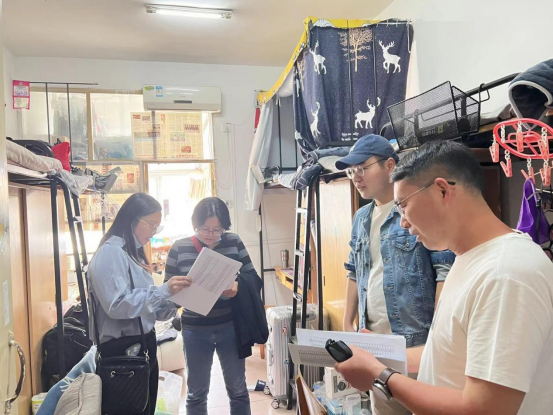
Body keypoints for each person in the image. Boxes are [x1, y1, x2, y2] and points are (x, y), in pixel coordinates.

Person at [334, 140, 553, 415]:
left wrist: (381, 377)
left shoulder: (506, 274)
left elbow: (485, 409)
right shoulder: (470, 257)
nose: (403, 222)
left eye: (403, 205)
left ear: (441, 191)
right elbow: (447, 353)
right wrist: (382, 354)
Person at [335, 134, 454, 415]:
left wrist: (437, 334)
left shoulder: (416, 210)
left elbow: (444, 270)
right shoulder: (361, 218)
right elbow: (354, 271)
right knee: (384, 408)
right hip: (373, 342)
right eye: (351, 171)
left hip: (416, 343)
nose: (356, 177)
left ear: (390, 165)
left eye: (362, 168)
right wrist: (347, 323)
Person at [87, 193, 191, 415]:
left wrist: (175, 299)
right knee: (129, 410)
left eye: (157, 226)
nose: (154, 232)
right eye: (151, 224)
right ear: (133, 219)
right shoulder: (111, 252)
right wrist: (163, 290)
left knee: (145, 407)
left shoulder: (133, 253)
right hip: (121, 349)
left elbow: (149, 311)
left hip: (143, 343)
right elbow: (117, 306)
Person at [165, 197, 264, 415]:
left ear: (225, 227)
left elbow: (253, 278)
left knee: (238, 390)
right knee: (196, 393)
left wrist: (238, 286)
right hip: (194, 329)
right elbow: (167, 290)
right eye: (204, 229)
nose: (210, 234)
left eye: (217, 230)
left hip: (230, 326)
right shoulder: (179, 248)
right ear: (195, 224)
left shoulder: (233, 241)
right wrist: (177, 289)